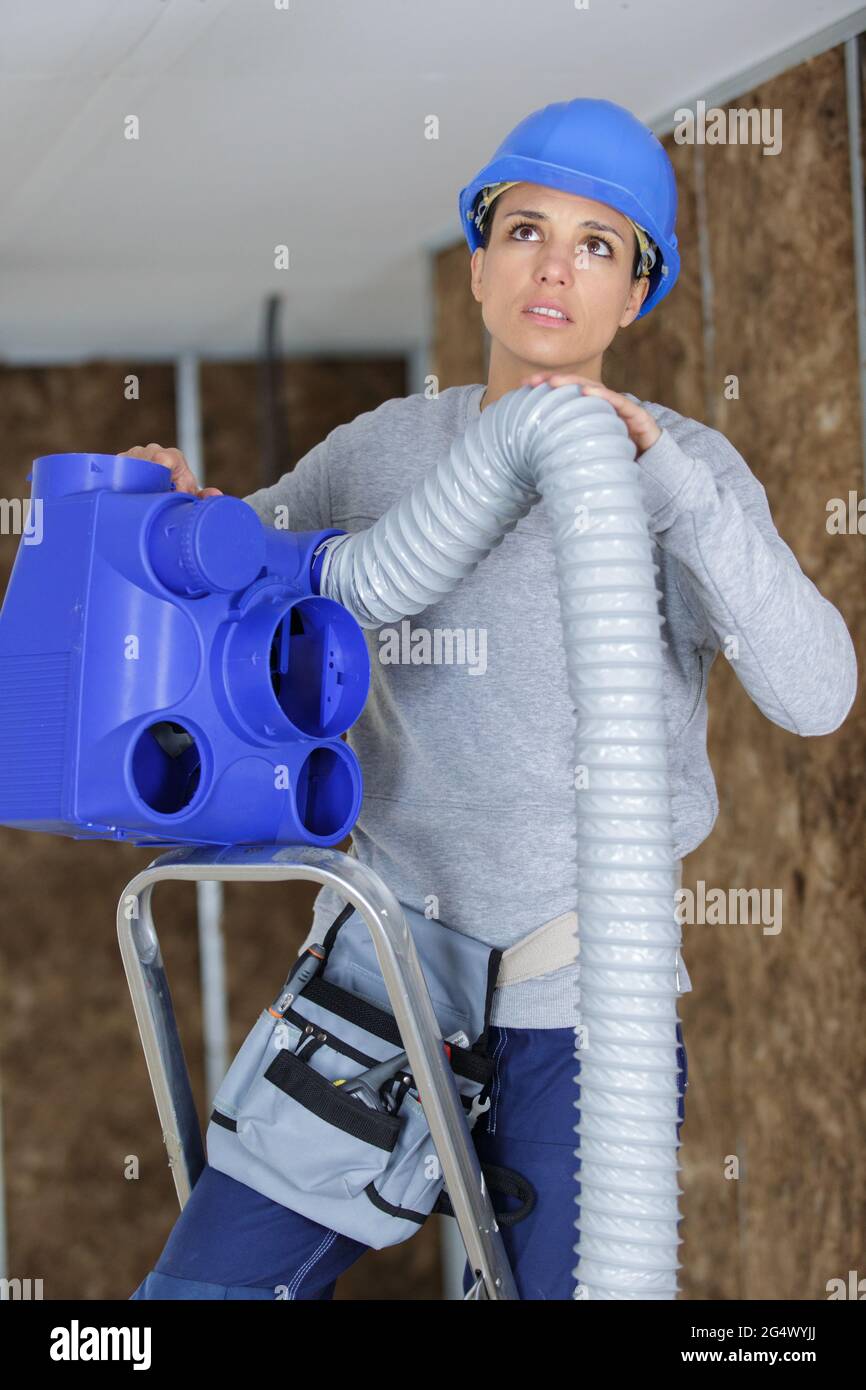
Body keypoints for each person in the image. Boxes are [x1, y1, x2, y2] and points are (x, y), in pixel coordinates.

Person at [123, 98, 856, 1301]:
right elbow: (229, 591)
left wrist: (665, 492)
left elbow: (816, 694)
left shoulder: (687, 472)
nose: (553, 266)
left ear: (634, 296)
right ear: (476, 266)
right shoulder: (380, 455)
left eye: (596, 245)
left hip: (586, 996)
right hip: (379, 972)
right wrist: (177, 512)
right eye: (524, 230)